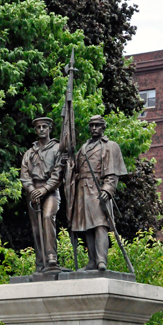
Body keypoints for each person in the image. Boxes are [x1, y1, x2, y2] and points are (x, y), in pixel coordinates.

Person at [70, 115, 127, 271]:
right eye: (91, 125)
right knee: (87, 226)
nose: (94, 128)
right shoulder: (83, 147)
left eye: (97, 125)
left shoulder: (111, 146)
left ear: (103, 127)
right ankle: (92, 261)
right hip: (82, 190)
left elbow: (113, 173)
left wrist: (108, 190)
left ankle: (101, 260)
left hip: (97, 189)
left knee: (100, 224)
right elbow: (74, 169)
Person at [20, 117, 64, 271]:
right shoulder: (29, 153)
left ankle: (51, 256)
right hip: (33, 192)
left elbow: (59, 174)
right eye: (38, 127)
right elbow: (24, 175)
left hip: (50, 191)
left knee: (47, 217)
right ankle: (40, 261)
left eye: (44, 126)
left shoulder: (57, 149)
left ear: (50, 128)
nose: (41, 129)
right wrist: (32, 190)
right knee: (36, 227)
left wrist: (44, 190)